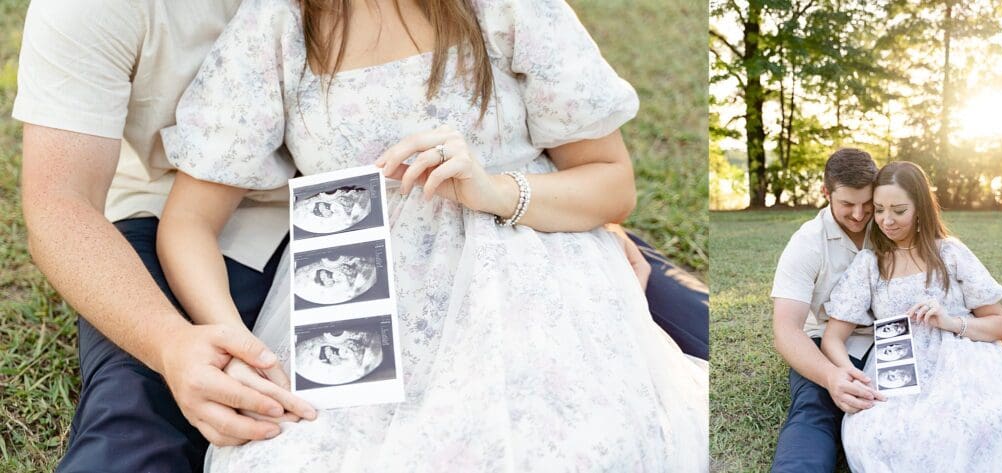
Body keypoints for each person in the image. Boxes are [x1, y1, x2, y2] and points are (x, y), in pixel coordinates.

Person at [13, 0, 707, 471]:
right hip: (323, 255)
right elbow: (77, 205)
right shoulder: (272, 25)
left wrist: (512, 195)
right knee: (158, 425)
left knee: (610, 411)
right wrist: (204, 343)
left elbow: (605, 175)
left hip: (507, 242)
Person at [820, 161, 1002, 471]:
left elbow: (999, 325)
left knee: (976, 424)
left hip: (962, 360)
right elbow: (833, 337)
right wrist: (852, 375)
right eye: (879, 210)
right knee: (877, 435)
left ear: (920, 209)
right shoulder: (870, 264)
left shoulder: (950, 253)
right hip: (898, 367)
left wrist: (949, 321)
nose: (886, 221)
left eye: (898, 211)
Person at [769, 148, 884, 472]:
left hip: (890, 337)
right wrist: (831, 376)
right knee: (816, 408)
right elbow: (786, 330)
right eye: (848, 204)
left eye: (867, 203)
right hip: (827, 341)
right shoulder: (807, 243)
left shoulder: (890, 223)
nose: (860, 215)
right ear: (826, 193)